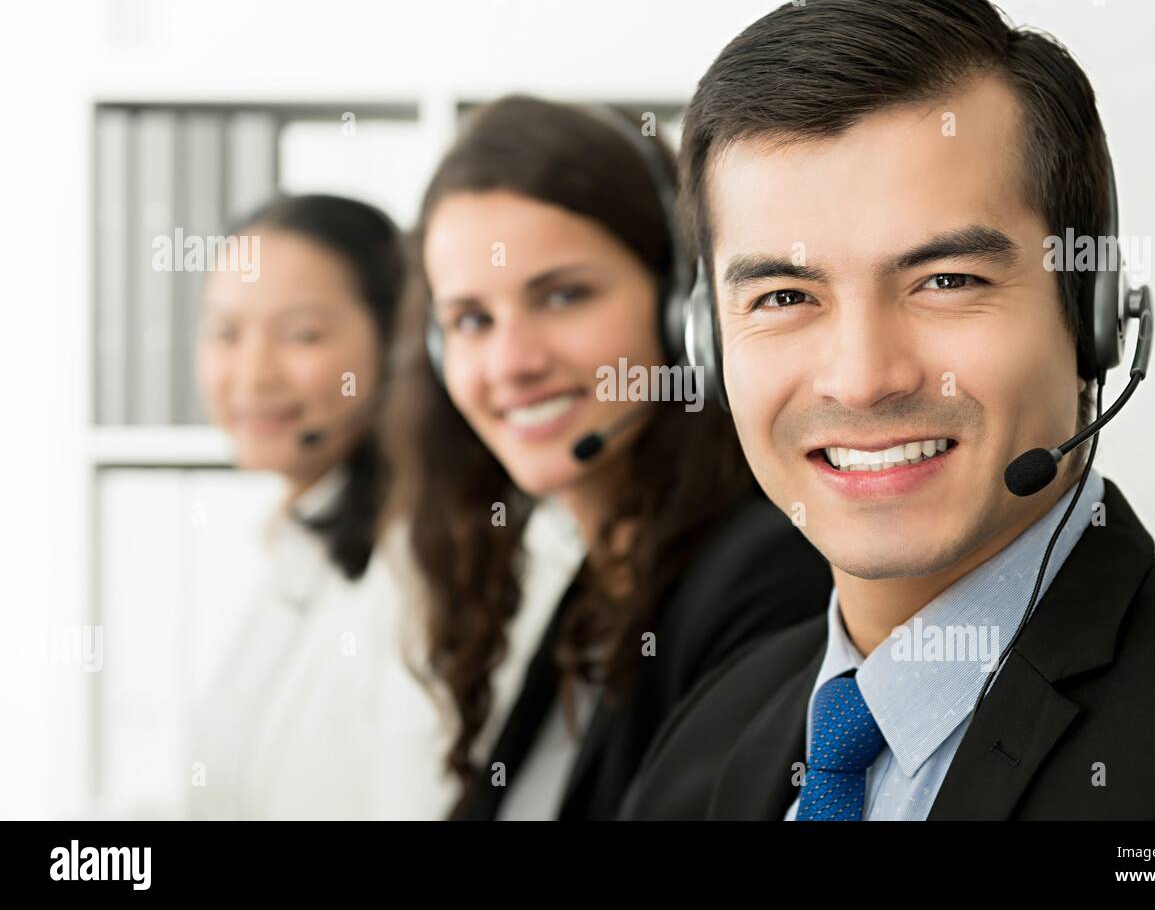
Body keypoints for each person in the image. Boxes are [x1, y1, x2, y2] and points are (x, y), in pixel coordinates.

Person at [621, 0, 1155, 820]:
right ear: (709, 346)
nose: (864, 377)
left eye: (946, 280)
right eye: (786, 296)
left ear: (1094, 319)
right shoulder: (709, 736)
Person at [386, 95, 832, 820]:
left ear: (685, 310)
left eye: (563, 295)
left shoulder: (768, 576)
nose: (511, 362)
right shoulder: (597, 589)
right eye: (471, 320)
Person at [190, 193, 454, 818]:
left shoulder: (417, 569)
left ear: (399, 342)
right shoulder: (297, 546)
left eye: (301, 334)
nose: (253, 375)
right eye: (226, 332)